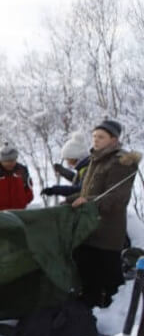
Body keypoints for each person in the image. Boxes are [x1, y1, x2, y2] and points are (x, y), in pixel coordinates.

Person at [67, 119, 141, 307]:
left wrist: (88, 201)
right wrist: (71, 199)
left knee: (109, 280)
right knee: (87, 274)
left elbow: (117, 197)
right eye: (94, 136)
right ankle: (87, 313)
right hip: (88, 229)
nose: (96, 140)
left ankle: (113, 317)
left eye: (101, 137)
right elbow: (87, 193)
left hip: (107, 232)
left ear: (114, 139)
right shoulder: (96, 160)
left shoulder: (120, 163)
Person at [41, 131, 90, 198]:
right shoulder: (82, 168)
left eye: (68, 158)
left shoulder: (87, 168)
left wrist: (55, 190)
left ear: (75, 156)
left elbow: (78, 189)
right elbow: (75, 179)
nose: (67, 162)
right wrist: (62, 171)